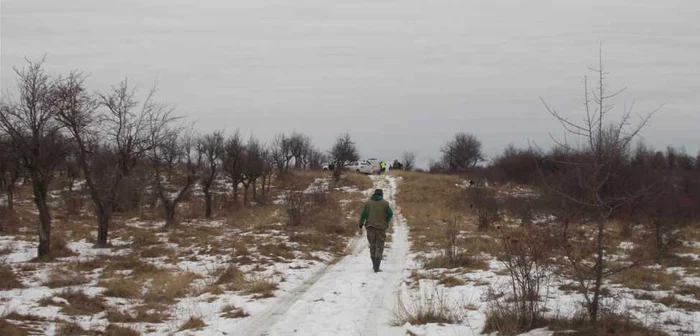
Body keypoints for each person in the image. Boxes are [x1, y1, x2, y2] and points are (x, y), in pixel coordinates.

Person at [359, 189, 394, 272]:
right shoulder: (385, 203)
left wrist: (360, 224)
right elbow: (390, 213)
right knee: (380, 246)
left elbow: (363, 214)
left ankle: (374, 264)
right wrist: (386, 221)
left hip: (370, 227)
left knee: (373, 246)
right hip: (381, 228)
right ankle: (377, 267)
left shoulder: (367, 203)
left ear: (374, 194)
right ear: (381, 195)